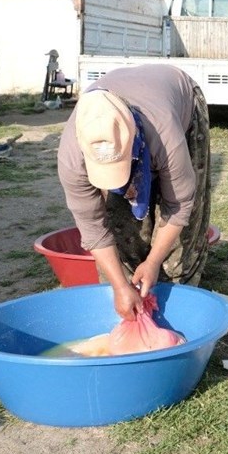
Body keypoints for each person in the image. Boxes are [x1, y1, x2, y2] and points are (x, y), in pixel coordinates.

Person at [57, 64, 211, 320]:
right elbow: (93, 227)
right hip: (133, 109)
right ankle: (130, 299)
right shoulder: (73, 159)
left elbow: (180, 205)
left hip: (178, 100)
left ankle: (175, 300)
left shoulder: (165, 134)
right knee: (122, 226)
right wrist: (119, 285)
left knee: (186, 230)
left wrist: (153, 263)